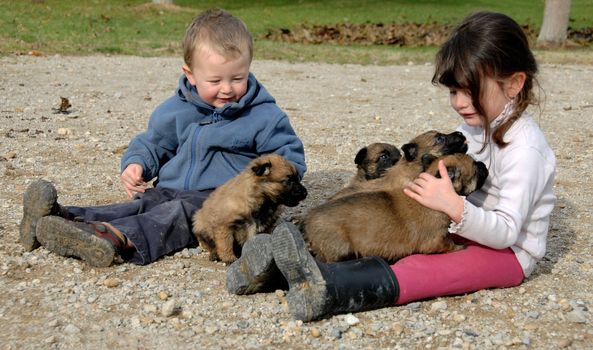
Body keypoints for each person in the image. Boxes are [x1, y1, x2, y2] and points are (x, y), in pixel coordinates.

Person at [226, 11, 556, 322]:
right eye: (454, 91)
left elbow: (507, 232)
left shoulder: (525, 150)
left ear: (513, 84)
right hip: (461, 230)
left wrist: (455, 208)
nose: (458, 102)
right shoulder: (478, 123)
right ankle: (276, 269)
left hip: (508, 254)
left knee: (420, 269)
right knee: (389, 245)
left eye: (470, 91)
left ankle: (330, 289)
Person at [19, 9, 306, 267]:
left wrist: (281, 183)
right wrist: (137, 164)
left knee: (174, 215)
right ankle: (60, 218)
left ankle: (115, 238)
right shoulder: (175, 110)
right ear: (190, 75)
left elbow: (288, 156)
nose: (227, 89)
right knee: (138, 205)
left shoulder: (264, 116)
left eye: (237, 78)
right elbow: (154, 143)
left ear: (248, 70)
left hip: (218, 200)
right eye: (215, 81)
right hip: (169, 187)